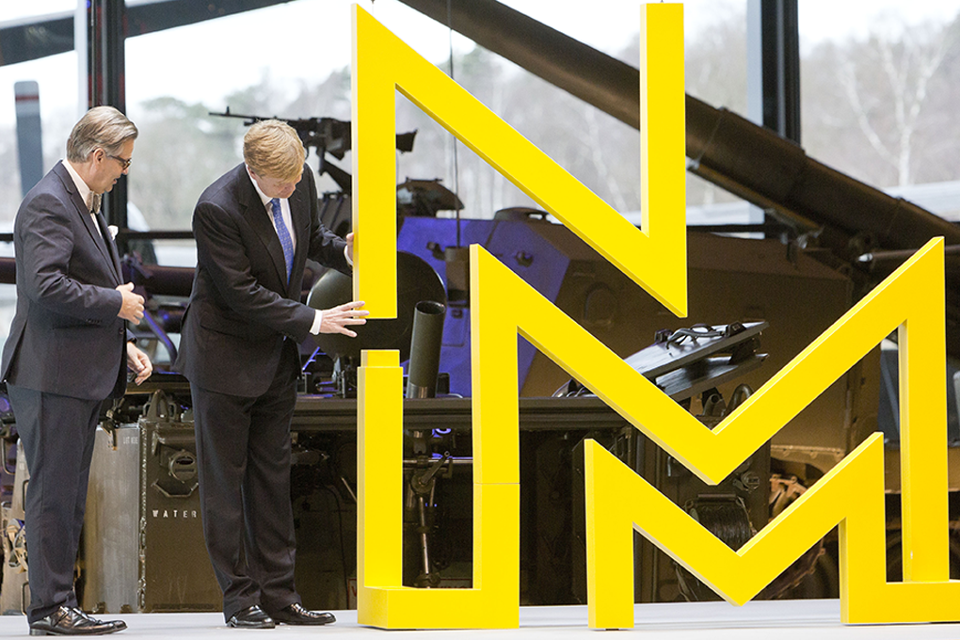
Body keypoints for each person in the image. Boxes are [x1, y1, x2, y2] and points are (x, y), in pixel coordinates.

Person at [174, 120, 367, 629]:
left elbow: (310, 237)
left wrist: (346, 253)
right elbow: (241, 293)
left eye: (297, 177)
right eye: (282, 182)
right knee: (225, 487)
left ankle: (281, 597)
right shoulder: (216, 208)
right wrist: (314, 319)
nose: (293, 186)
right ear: (253, 170)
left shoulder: (299, 179)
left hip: (274, 358)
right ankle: (240, 600)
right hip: (223, 359)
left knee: (272, 483)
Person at [1, 105, 153, 636]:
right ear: (97, 155)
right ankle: (50, 609)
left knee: (66, 494)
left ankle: (59, 603)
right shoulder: (49, 202)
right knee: (53, 494)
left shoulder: (80, 199)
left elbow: (80, 281)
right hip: (50, 374)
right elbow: (46, 285)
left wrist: (122, 345)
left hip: (72, 371)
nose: (124, 172)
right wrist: (116, 304)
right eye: (123, 162)